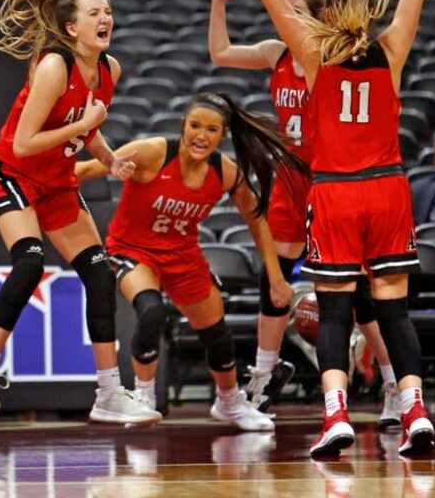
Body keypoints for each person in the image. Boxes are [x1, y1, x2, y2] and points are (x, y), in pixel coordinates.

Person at [204, 0, 435, 456]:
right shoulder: (391, 49)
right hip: (388, 189)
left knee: (334, 309)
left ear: (328, 15)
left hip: (336, 191)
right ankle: (414, 409)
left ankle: (335, 413)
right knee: (392, 309)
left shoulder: (311, 52)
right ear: (368, 11)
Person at [0, 0, 160, 424]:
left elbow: (86, 127)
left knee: (98, 272)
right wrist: (82, 128)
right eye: (95, 11)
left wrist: (110, 159)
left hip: (56, 184)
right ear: (72, 27)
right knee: (28, 262)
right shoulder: (54, 65)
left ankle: (109, 394)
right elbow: (25, 144)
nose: (105, 17)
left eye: (109, 10)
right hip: (12, 174)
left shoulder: (109, 69)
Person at [208, 0, 402, 428]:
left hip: (337, 177)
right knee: (273, 279)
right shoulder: (277, 53)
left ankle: (393, 383)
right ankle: (262, 376)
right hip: (292, 180)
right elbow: (220, 53)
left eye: (298, 10)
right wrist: (219, 4)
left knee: (362, 293)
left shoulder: (329, 56)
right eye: (285, 9)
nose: (287, 16)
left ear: (317, 18)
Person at [75, 93, 302, 430]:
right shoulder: (152, 152)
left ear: (221, 136)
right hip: (134, 250)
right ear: (183, 126)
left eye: (211, 129)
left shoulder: (224, 171)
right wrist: (34, 180)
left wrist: (276, 276)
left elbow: (256, 219)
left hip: (183, 255)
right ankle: (143, 396)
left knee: (218, 335)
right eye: (195, 126)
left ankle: (229, 402)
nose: (201, 135)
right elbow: (84, 170)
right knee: (150, 311)